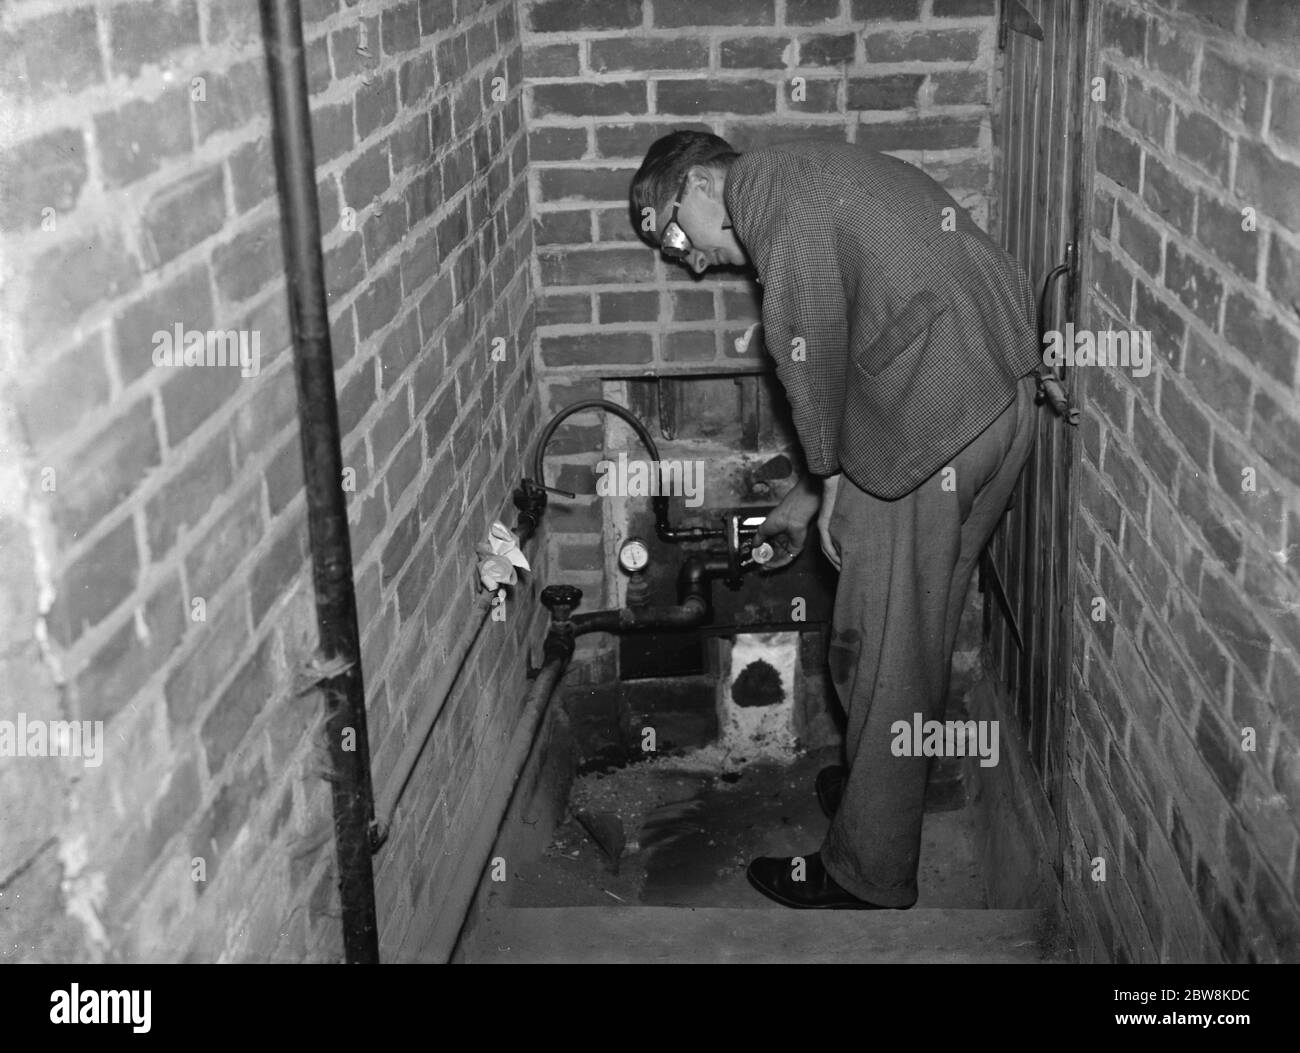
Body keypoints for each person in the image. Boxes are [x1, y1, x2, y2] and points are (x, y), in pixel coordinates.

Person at [629, 131, 1042, 909]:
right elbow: (855, 336)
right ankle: (883, 793)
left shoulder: (772, 198)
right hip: (995, 396)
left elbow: (806, 350)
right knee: (917, 631)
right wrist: (810, 493)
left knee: (878, 650)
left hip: (936, 422)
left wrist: (832, 485)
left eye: (672, 229)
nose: (685, 257)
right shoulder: (805, 174)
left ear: (699, 182)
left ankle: (868, 871)